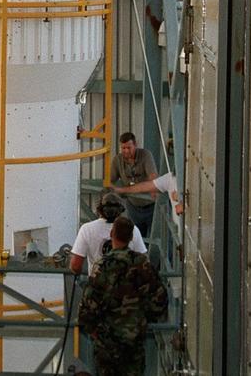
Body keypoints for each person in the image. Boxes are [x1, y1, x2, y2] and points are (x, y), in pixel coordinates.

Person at [77, 217, 169, 376]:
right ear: (131, 237)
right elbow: (160, 299)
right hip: (134, 341)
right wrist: (144, 319)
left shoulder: (101, 266)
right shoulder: (142, 263)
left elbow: (87, 307)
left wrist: (94, 331)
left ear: (112, 234)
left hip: (106, 342)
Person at [70, 192, 146, 277]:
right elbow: (143, 263)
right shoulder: (132, 229)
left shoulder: (87, 229)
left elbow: (75, 266)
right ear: (121, 210)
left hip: (98, 285)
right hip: (125, 287)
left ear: (100, 209)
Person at [110, 132, 159, 237]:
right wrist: (111, 190)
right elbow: (110, 180)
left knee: (156, 239)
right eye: (123, 148)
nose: (126, 151)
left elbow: (153, 176)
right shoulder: (117, 160)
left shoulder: (145, 155)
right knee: (135, 238)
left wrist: (154, 189)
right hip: (133, 207)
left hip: (151, 207)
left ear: (135, 145)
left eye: (129, 147)